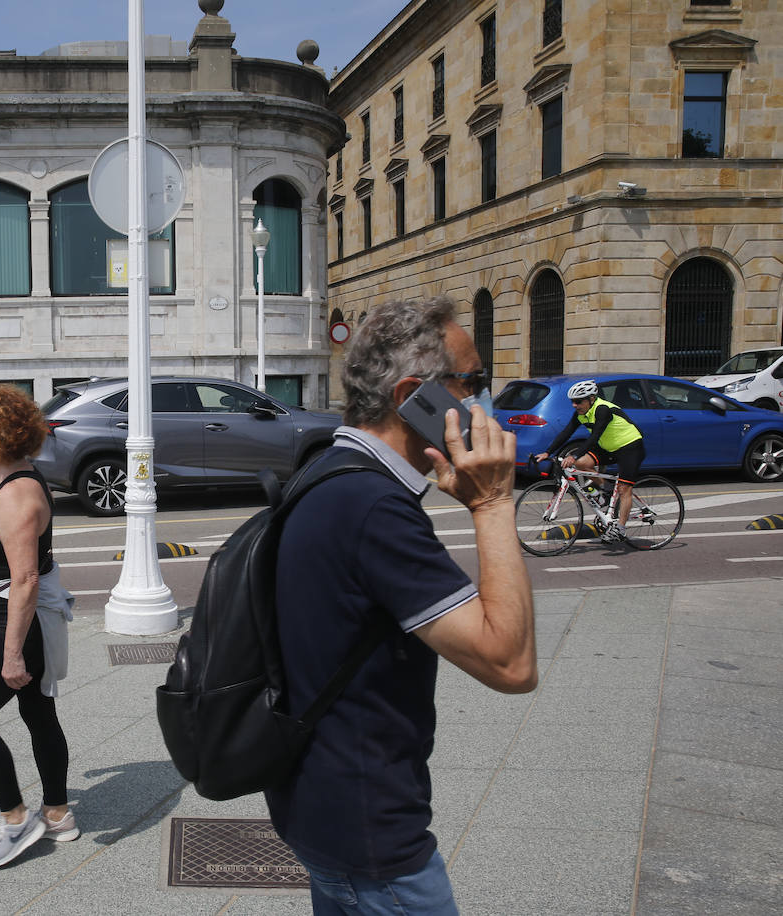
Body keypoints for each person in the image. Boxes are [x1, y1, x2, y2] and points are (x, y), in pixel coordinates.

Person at [269, 297, 537, 914]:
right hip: (373, 837)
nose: (480, 403)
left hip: (319, 808)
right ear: (417, 394)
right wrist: (492, 504)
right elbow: (510, 663)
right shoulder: (373, 508)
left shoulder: (325, 471)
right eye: (472, 383)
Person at [0, 383, 77, 870]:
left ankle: (16, 819)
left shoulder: (17, 496)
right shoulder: (18, 481)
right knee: (39, 715)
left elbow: (24, 578)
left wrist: (11, 654)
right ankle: (60, 814)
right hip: (16, 619)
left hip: (18, 625)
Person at [533, 379, 646, 543]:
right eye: (572, 401)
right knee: (582, 464)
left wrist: (574, 455)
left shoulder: (602, 410)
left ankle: (620, 529)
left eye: (578, 401)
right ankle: (606, 490)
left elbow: (594, 437)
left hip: (629, 446)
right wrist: (548, 452)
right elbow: (567, 432)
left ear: (591, 399)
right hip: (609, 447)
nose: (574, 405)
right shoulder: (581, 413)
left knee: (624, 488)